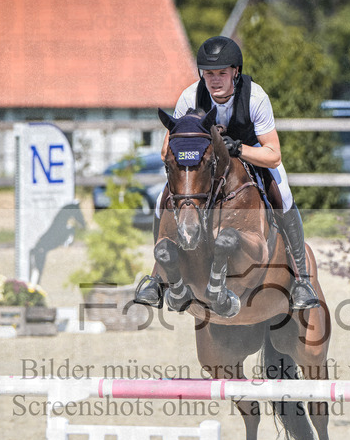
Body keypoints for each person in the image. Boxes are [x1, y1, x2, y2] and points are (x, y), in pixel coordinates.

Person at [134, 35, 320, 311]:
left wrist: (240, 149)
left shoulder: (255, 97)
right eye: (209, 74)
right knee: (166, 196)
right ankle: (157, 278)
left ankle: (302, 279)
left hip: (251, 152)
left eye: (222, 73)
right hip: (205, 162)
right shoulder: (190, 97)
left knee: (284, 194)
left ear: (235, 72)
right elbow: (167, 149)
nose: (215, 80)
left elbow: (273, 153)